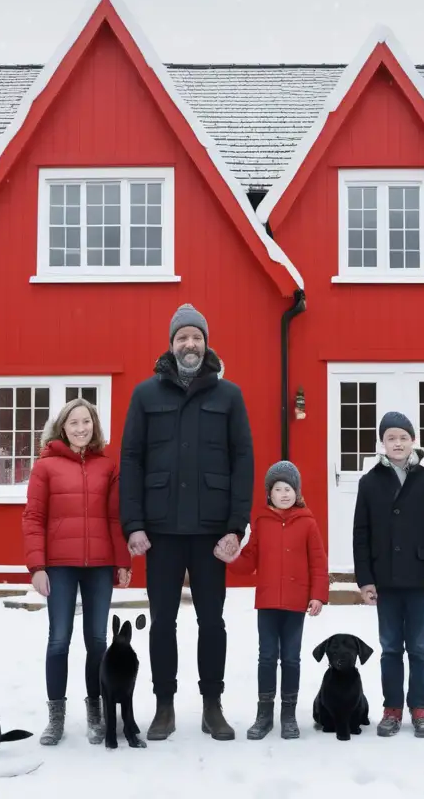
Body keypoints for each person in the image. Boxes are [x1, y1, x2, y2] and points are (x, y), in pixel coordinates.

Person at [120, 303, 254, 741]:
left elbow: (243, 460)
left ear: (206, 343)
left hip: (213, 533)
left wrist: (236, 526)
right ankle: (164, 707)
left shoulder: (229, 396)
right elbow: (132, 459)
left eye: (196, 337)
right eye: (182, 337)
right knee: (162, 622)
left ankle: (212, 706)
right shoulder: (145, 395)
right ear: (172, 344)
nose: (189, 344)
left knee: (212, 622)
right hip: (160, 532)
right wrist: (133, 524)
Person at [21, 396, 132, 746]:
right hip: (60, 566)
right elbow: (33, 518)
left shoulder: (107, 466)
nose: (81, 428)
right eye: (74, 423)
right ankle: (56, 718)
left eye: (87, 422)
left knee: (97, 642)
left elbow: (116, 518)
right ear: (62, 427)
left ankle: (96, 714)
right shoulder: (45, 467)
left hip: (99, 566)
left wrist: (123, 561)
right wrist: (37, 566)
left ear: (94, 426)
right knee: (59, 641)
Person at [352, 411, 424, 738]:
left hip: (420, 579)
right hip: (385, 580)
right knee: (391, 647)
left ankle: (419, 706)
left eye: (403, 437)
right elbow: (360, 534)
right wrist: (365, 579)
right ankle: (392, 707)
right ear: (382, 442)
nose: (397, 443)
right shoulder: (369, 482)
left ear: (413, 441)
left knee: (420, 648)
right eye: (391, 437)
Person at [216, 460, 326, 740]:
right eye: (278, 489)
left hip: (295, 603)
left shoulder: (308, 522)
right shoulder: (262, 522)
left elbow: (318, 562)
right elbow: (250, 559)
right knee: (267, 657)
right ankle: (264, 714)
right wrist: (232, 559)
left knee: (291, 658)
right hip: (267, 602)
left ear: (297, 492)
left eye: (289, 488)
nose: (284, 494)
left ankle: (288, 715)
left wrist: (317, 596)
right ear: (269, 494)